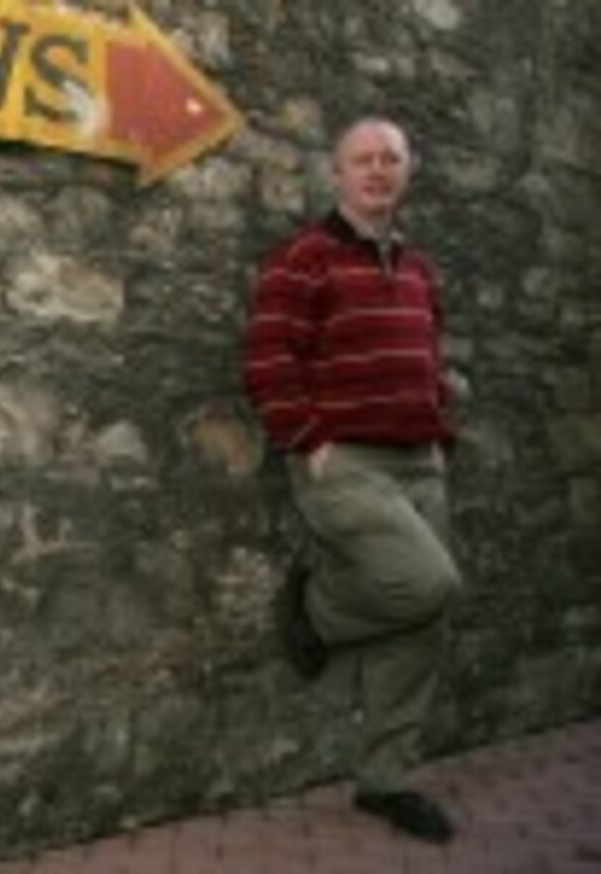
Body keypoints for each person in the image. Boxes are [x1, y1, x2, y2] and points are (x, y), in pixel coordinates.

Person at [242, 117, 462, 844]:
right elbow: (268, 357)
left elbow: (431, 357)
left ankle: (385, 781)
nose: (376, 170)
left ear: (407, 171)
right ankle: (316, 609)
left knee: (421, 626)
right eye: (362, 159)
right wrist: (308, 440)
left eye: (390, 159)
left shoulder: (420, 268)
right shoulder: (302, 258)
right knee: (427, 584)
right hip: (347, 464)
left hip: (421, 458)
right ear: (337, 173)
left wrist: (442, 425)